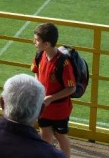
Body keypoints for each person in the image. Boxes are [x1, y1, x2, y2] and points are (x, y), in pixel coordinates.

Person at [32, 23, 76, 158]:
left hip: (60, 110)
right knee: (45, 134)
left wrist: (50, 98)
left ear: (47, 44)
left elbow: (71, 88)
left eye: (37, 40)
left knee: (60, 136)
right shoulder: (39, 55)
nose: (34, 42)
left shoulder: (63, 63)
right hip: (44, 108)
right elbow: (36, 72)